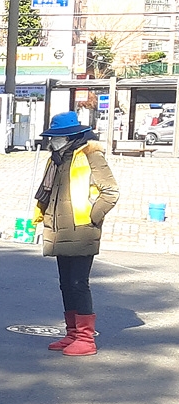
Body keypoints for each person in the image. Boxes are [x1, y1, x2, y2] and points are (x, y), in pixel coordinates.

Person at [34, 111, 119, 356]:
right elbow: (48, 193)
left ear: (71, 137)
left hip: (82, 230)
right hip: (59, 230)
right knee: (65, 284)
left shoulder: (91, 155)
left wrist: (93, 216)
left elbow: (110, 192)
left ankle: (85, 338)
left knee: (78, 283)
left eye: (58, 137)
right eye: (53, 137)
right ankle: (72, 334)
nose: (53, 141)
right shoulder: (56, 160)